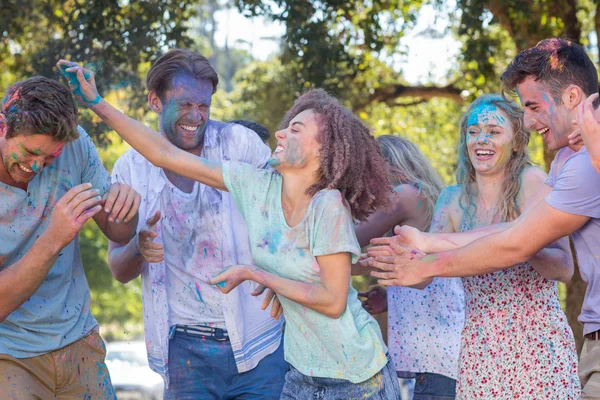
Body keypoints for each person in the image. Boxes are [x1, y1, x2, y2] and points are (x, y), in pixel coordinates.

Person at [59, 58, 402, 398]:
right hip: (302, 374)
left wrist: (260, 276)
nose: (279, 132)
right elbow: (164, 154)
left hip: (355, 373)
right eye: (287, 126)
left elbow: (332, 299)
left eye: (295, 129)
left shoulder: (327, 205)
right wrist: (96, 103)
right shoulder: (252, 183)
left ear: (324, 149)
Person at [367, 38, 600, 398]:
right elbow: (509, 234)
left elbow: (539, 253)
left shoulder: (547, 176)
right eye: (473, 132)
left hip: (535, 345)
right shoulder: (566, 163)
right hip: (480, 349)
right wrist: (410, 253)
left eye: (493, 131)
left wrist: (521, 246)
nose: (481, 140)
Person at [104, 49, 287, 399]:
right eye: (185, 104)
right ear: (154, 101)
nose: (196, 116)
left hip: (260, 342)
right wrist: (139, 249)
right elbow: (118, 268)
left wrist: (283, 280)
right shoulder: (130, 171)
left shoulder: (239, 145)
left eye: (203, 106)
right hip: (185, 352)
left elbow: (286, 220)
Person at [0, 76, 140, 399]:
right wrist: (53, 239)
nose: (36, 166)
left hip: (78, 341)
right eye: (31, 151)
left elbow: (118, 229)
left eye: (49, 158)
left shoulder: (76, 146)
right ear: (3, 127)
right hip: (10, 351)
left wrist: (127, 209)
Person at [355, 135, 464, 400]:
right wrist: (391, 297)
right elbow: (423, 270)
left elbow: (348, 239)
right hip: (444, 353)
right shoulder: (427, 196)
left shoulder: (405, 195)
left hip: (438, 357)